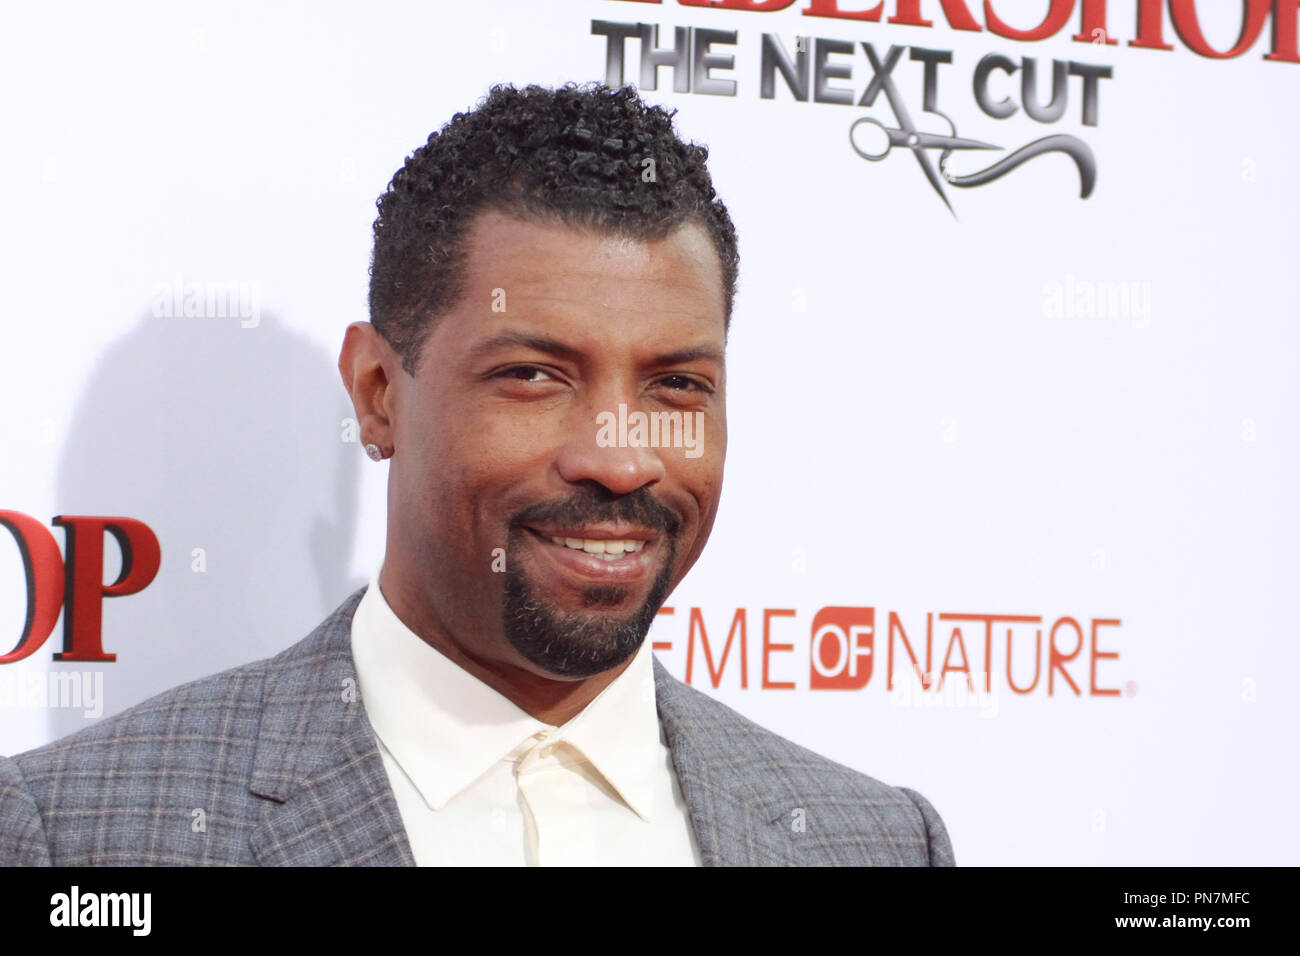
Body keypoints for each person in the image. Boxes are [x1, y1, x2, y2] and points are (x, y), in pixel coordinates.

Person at [0, 82, 953, 866]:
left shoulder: (871, 842)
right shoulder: (82, 839)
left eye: (675, 384)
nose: (619, 455)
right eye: (534, 376)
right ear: (378, 393)